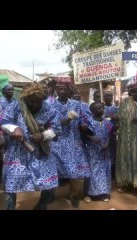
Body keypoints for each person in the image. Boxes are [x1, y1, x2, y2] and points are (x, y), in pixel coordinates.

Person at [0, 83, 61, 210]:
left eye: (38, 102)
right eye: (32, 102)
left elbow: (57, 129)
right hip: (17, 153)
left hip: (41, 152)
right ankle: (10, 207)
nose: (35, 105)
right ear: (26, 99)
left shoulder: (49, 108)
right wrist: (15, 128)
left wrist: (43, 136)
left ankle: (41, 206)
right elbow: (2, 121)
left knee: (50, 183)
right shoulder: (16, 105)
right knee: (12, 184)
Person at [50, 80, 90, 208]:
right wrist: (67, 119)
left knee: (74, 169)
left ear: (69, 91)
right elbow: (51, 124)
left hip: (73, 141)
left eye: (64, 89)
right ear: (56, 90)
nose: (62, 91)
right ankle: (50, 194)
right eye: (59, 89)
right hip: (56, 141)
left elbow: (83, 119)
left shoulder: (76, 104)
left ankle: (73, 195)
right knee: (54, 169)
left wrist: (83, 125)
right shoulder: (50, 104)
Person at [83, 102, 113, 203]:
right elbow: (84, 134)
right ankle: (88, 194)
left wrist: (107, 144)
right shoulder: (88, 122)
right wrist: (92, 138)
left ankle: (103, 193)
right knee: (92, 172)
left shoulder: (107, 123)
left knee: (105, 172)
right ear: (92, 111)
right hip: (92, 151)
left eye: (102, 108)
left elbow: (109, 135)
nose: (101, 110)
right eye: (98, 108)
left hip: (104, 152)